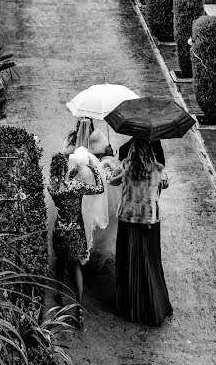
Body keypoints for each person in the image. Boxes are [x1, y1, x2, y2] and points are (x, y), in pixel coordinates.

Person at [110, 138, 173, 326]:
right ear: (151, 151)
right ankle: (153, 305)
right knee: (149, 262)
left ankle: (130, 306)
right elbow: (166, 184)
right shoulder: (158, 169)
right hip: (149, 222)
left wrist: (110, 171)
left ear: (133, 150)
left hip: (128, 220)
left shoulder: (126, 166)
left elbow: (112, 182)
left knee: (129, 263)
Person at [49, 151, 104, 325]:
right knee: (76, 267)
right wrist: (94, 169)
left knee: (60, 263)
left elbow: (63, 181)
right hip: (75, 232)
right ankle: (79, 308)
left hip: (60, 230)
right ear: (66, 168)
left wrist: (73, 171)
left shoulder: (52, 188)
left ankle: (58, 293)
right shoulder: (76, 186)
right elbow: (99, 188)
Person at [62, 119, 111, 254]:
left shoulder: (88, 137)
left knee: (84, 207)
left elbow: (65, 153)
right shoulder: (95, 136)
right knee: (90, 206)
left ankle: (85, 243)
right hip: (90, 176)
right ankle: (85, 243)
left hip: (80, 176)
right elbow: (104, 153)